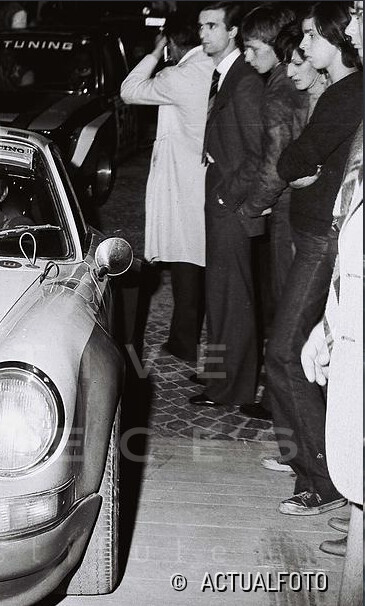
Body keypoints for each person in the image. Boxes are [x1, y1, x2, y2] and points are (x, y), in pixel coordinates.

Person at [268, 1, 362, 518]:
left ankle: (323, 478)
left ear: (338, 39)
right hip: (312, 233)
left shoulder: (351, 92)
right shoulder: (339, 90)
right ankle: (304, 457)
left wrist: (303, 164)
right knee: (294, 350)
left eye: (312, 36)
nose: (302, 46)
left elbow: (296, 158)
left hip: (324, 239)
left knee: (285, 353)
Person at [120, 13, 214, 364]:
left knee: (185, 258)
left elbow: (129, 90)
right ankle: (192, 337)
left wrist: (154, 53)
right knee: (201, 258)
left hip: (183, 181)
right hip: (207, 175)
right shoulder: (213, 67)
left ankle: (183, 341)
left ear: (172, 42)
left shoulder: (177, 76)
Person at [187, 2, 265, 410]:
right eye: (201, 26)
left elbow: (259, 153)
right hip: (220, 196)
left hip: (231, 205)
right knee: (219, 294)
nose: (203, 34)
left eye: (212, 26)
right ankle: (220, 378)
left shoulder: (245, 81)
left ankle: (232, 388)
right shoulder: (226, 75)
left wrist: (226, 196)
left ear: (233, 31)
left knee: (232, 298)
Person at [234, 5, 310, 421]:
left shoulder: (279, 91)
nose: (247, 58)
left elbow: (274, 164)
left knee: (287, 307)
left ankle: (284, 408)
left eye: (253, 48)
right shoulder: (293, 81)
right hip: (296, 204)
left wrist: (251, 206)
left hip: (287, 209)